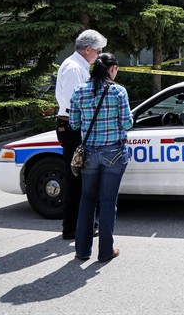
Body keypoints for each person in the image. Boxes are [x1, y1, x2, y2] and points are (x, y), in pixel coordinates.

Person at [69, 53, 133, 262]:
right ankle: (106, 251)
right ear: (112, 69)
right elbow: (127, 124)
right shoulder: (118, 91)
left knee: (87, 200)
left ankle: (82, 250)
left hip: (89, 153)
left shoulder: (79, 91)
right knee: (107, 202)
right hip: (114, 151)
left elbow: (74, 124)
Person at [55, 29, 107, 240]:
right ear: (88, 50)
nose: (100, 55)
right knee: (76, 178)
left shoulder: (77, 66)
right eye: (98, 51)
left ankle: (80, 224)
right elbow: (74, 104)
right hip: (72, 127)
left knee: (82, 178)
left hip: (74, 126)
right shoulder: (74, 69)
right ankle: (72, 228)